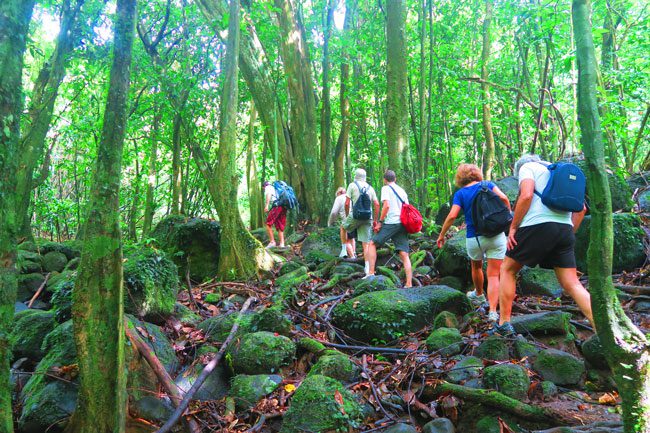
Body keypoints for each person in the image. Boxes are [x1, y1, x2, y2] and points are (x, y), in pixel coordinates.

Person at [494, 154, 593, 336]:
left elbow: (526, 195)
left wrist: (513, 227)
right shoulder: (556, 170)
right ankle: (604, 328)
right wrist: (568, 233)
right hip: (564, 228)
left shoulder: (527, 168)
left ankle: (504, 323)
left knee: (507, 269)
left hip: (536, 225)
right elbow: (582, 209)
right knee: (572, 284)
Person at [436, 164, 511, 323]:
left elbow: (452, 216)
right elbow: (504, 198)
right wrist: (506, 218)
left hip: (474, 237)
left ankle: (478, 294)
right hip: (496, 235)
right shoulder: (488, 185)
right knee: (493, 275)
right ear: (477, 174)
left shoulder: (460, 193)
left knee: (476, 266)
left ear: (460, 177)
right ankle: (492, 312)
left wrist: (442, 235)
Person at [366, 170, 413, 288]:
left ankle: (371, 273)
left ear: (384, 180)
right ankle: (409, 283)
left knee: (372, 244)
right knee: (404, 254)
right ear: (395, 179)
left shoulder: (385, 188)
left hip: (392, 222)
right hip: (402, 223)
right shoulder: (401, 190)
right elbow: (407, 207)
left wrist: (380, 222)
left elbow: (386, 205)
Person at [342, 169, 380, 274]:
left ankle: (343, 249)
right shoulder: (370, 188)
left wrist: (346, 216)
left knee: (343, 227)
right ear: (365, 177)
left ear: (356, 176)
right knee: (366, 244)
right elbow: (377, 204)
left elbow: (346, 203)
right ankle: (367, 269)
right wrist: (375, 220)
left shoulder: (352, 185)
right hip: (368, 217)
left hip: (355, 215)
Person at [328, 187, 357, 258]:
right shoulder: (350, 197)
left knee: (346, 240)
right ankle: (354, 254)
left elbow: (334, 213)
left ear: (338, 193)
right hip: (356, 219)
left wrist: (330, 223)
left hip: (347, 220)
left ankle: (352, 257)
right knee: (351, 238)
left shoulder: (339, 198)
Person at [263, 180, 287, 248]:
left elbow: (269, 194)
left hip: (277, 206)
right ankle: (282, 244)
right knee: (280, 225)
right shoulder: (276, 188)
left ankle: (272, 242)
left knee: (268, 223)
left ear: (264, 186)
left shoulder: (268, 187)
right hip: (283, 207)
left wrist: (267, 205)